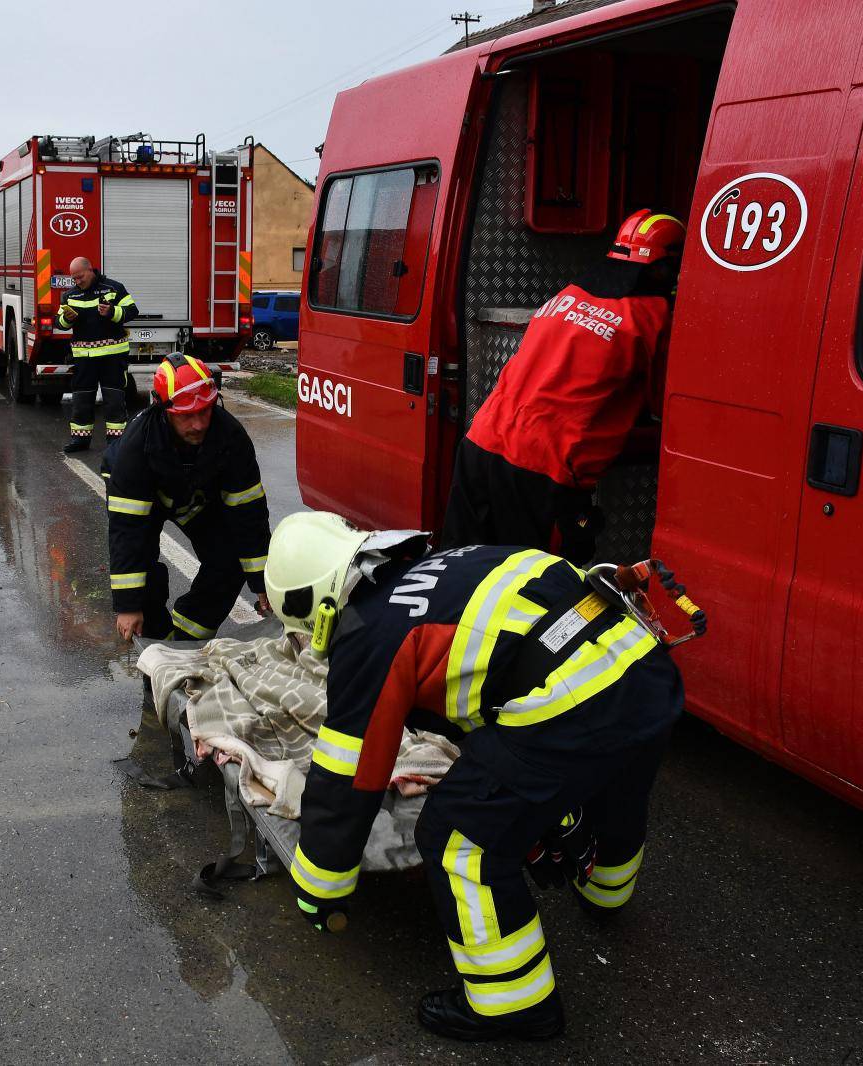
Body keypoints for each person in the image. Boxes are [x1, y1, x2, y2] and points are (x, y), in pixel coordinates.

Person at [263, 511, 684, 1042]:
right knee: (616, 785)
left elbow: (347, 775)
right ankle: (607, 893)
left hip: (572, 709)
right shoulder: (453, 562)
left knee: (458, 835)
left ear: (313, 604)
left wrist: (319, 886)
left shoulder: (368, 633)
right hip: (643, 673)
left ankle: (513, 1005)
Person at [439, 210, 685, 563]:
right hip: (541, 472)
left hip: (480, 444)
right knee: (533, 591)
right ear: (668, 268)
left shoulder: (568, 294)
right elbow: (669, 408)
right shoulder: (653, 317)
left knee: (459, 572)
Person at [105, 353, 271, 642]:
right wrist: (127, 606)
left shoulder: (230, 437)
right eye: (186, 416)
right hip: (143, 499)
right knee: (142, 574)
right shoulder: (136, 448)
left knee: (228, 561)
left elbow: (249, 515)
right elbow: (127, 532)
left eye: (204, 411)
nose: (198, 425)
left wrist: (263, 583)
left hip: (190, 495)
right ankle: (158, 655)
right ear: (164, 410)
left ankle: (187, 641)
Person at [57, 256, 137, 453]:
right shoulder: (69, 296)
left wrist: (112, 312)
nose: (77, 282)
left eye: (80, 277)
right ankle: (80, 440)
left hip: (113, 356)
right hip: (84, 358)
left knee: (114, 400)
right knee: (82, 399)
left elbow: (132, 311)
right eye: (74, 279)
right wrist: (67, 319)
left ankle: (116, 442)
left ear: (90, 270)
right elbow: (59, 323)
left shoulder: (114, 288)